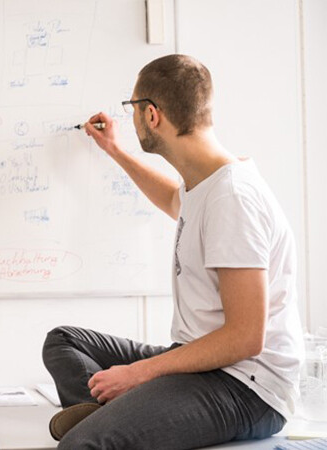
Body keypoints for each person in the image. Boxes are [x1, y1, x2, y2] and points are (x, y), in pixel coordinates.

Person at [42, 54, 304, 449]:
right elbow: (171, 199)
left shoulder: (232, 198)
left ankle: (111, 421)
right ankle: (126, 415)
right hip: (199, 360)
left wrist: (140, 374)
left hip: (246, 386)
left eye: (131, 107)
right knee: (64, 340)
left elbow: (246, 337)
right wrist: (113, 149)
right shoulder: (207, 184)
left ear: (151, 115)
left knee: (83, 445)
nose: (130, 117)